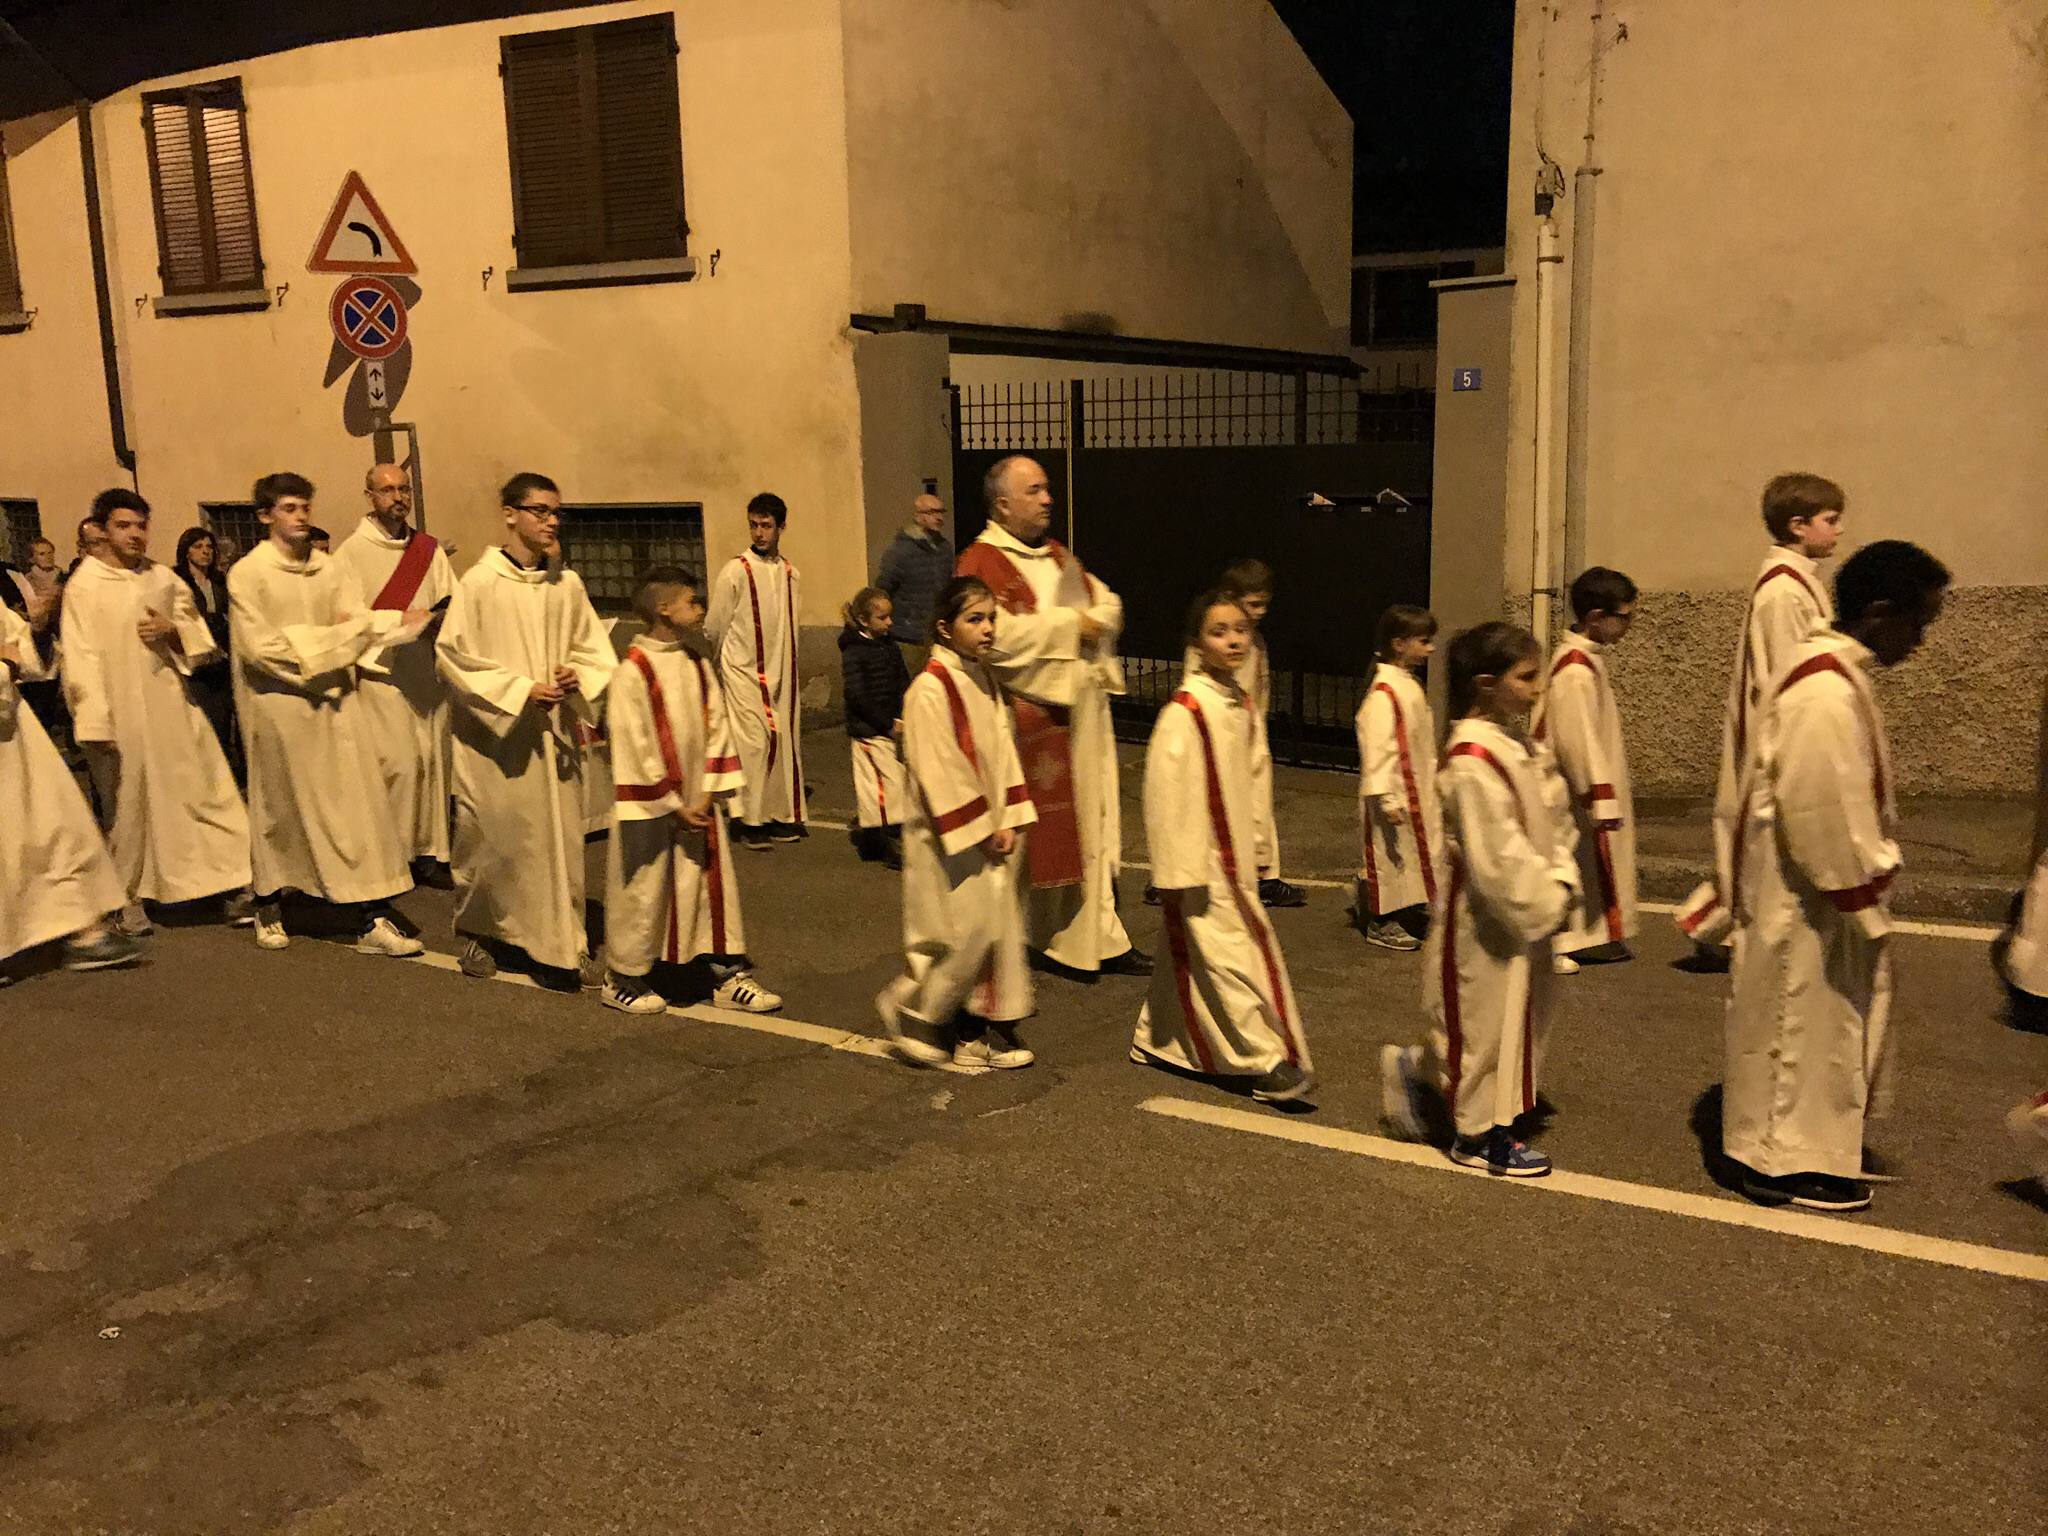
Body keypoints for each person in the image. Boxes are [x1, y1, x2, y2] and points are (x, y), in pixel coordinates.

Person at [1722, 540, 1950, 1213]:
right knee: (1796, 1028)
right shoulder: (1822, 691)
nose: (1921, 640)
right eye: (1918, 622)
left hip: (1813, 895)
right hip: (1808, 899)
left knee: (1821, 1031)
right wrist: (1864, 883)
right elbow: (1820, 806)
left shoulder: (1832, 673)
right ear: (1878, 613)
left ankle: (1812, 1148)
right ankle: (1775, 1163)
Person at [1381, 621, 1579, 1177]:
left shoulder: (1511, 742)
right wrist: (1548, 894)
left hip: (1521, 909)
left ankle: (1420, 1073)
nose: (1538, 688)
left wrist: (1559, 871)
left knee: (1516, 1016)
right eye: (1526, 677)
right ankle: (1476, 1134)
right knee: (1481, 1022)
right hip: (1484, 919)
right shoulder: (1470, 758)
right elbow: (1498, 856)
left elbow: (1549, 816)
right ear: (1486, 684)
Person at [957, 455, 1149, 978]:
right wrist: (1071, 627)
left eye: (1046, 489)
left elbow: (1109, 605)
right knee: (1039, 837)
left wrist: (1080, 623)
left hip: (1083, 716)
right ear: (1002, 504)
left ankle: (1098, 935)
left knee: (1093, 826)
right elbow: (996, 638)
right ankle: (1043, 937)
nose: (1048, 499)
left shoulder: (1058, 556)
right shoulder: (981, 563)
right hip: (1027, 719)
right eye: (1034, 491)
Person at [227, 473, 424, 957]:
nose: (300, 517)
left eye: (305, 508)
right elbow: (260, 649)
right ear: (265, 516)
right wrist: (338, 638)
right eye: (289, 508)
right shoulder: (249, 574)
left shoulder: (330, 568)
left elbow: (357, 624)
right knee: (280, 810)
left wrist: (392, 624)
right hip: (280, 708)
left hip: (335, 704)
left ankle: (366, 916)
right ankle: (268, 901)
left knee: (351, 809)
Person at [1131, 591, 1314, 1104]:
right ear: (1197, 643)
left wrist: (1259, 845)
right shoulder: (1187, 710)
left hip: (1236, 861)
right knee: (1232, 957)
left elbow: (1255, 780)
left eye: (1240, 629)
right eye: (1219, 632)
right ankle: (1260, 1058)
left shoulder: (1240, 704)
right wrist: (1176, 872)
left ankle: (1158, 1037)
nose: (1234, 640)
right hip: (1203, 862)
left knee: (1197, 954)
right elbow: (1165, 793)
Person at [437, 472, 617, 988]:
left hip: (554, 737)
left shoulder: (567, 584)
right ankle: (478, 930)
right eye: (540, 510)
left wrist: (577, 675)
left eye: (556, 512)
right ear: (510, 514)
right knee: (492, 839)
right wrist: (519, 690)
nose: (552, 521)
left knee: (558, 844)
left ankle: (565, 942)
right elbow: (453, 658)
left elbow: (594, 650)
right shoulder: (478, 583)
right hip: (495, 742)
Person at [1675, 473, 1846, 967]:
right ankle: (1726, 928)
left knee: (1764, 842)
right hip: (1781, 735)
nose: (1839, 530)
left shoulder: (1798, 582)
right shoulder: (1783, 592)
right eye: (1831, 520)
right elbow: (1789, 672)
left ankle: (1721, 927)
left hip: (1788, 730)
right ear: (1798, 526)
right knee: (1762, 841)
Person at [60, 489, 250, 933]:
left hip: (170, 704)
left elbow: (198, 635)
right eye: (123, 526)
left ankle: (226, 882)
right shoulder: (85, 586)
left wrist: (173, 630)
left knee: (202, 792)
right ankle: (126, 898)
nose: (135, 534)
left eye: (141, 526)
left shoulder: (162, 578)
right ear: (104, 530)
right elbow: (79, 656)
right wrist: (94, 719)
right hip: (119, 713)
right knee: (131, 807)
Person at [874, 577, 1038, 1070]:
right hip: (947, 837)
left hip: (989, 831)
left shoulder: (983, 677)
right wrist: (982, 828)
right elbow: (939, 767)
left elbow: (1003, 749)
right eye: (975, 619)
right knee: (955, 931)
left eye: (991, 618)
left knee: (991, 929)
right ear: (945, 628)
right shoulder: (930, 688)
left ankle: (970, 1031)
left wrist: (1009, 817)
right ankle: (912, 1011)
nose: (988, 629)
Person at [603, 567, 783, 1016]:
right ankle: (622, 976)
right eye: (692, 601)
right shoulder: (632, 672)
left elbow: (718, 726)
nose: (701, 609)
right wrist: (669, 804)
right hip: (654, 811)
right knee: (644, 890)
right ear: (664, 608)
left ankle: (723, 975)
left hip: (698, 805)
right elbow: (632, 744)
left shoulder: (698, 664)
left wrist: (705, 796)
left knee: (709, 890)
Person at [1, 600, 140, 979]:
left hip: (16, 737)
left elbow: (17, 641)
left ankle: (82, 929)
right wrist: (6, 665)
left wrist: (34, 633)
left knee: (56, 827)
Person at [334, 463, 457, 888]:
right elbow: (347, 617)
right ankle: (393, 854)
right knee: (399, 765)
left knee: (432, 761)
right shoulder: (350, 553)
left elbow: (450, 598)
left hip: (425, 667)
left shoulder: (428, 549)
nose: (398, 497)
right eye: (387, 490)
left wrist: (442, 620)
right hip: (381, 671)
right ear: (369, 496)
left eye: (403, 489)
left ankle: (430, 853)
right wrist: (402, 621)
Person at [1532, 567, 1639, 972]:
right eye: (1624, 616)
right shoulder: (1575, 670)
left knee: (1583, 864)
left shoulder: (1585, 660)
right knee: (1568, 860)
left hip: (1579, 787)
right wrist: (1598, 795)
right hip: (1571, 789)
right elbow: (1575, 739)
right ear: (1596, 616)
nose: (1629, 624)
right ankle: (1556, 940)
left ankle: (1583, 935)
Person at [705, 492, 805, 850]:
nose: (759, 533)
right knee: (753, 743)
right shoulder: (736, 570)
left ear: (781, 527)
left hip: (780, 669)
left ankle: (778, 812)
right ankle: (749, 818)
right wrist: (725, 663)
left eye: (766, 526)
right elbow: (715, 624)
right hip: (743, 670)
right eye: (753, 525)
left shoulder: (790, 574)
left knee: (782, 741)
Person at [1353, 604, 1442, 951]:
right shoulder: (1384, 692)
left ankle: (1405, 907)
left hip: (1414, 788)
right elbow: (1377, 747)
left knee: (1410, 855)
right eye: (1424, 641)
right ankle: (1380, 919)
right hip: (1395, 794)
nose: (1430, 648)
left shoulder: (1405, 684)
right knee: (1389, 858)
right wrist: (1387, 797)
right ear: (1399, 644)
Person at [839, 585, 909, 870]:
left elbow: (902, 681)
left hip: (890, 727)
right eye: (882, 618)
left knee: (891, 784)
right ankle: (887, 843)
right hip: (869, 730)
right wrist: (885, 723)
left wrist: (905, 711)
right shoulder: (855, 651)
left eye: (890, 616)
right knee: (886, 787)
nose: (889, 622)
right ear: (864, 620)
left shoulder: (889, 647)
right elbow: (857, 695)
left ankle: (876, 838)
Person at [173, 525, 243, 784]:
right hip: (196, 662)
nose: (205, 552)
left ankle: (227, 775)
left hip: (221, 658)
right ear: (186, 551)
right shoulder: (178, 582)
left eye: (209, 547)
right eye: (198, 547)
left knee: (225, 719)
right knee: (204, 721)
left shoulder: (219, 581)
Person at [874, 491, 953, 669]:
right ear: (918, 516)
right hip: (908, 635)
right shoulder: (900, 551)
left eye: (941, 512)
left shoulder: (944, 549)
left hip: (937, 634)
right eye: (932, 512)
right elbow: (883, 589)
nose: (939, 517)